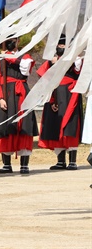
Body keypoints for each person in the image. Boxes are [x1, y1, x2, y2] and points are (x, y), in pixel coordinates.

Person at [0, 38, 38, 174]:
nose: (11, 43)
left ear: (18, 41)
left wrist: (9, 57)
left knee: (24, 125)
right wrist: (0, 98)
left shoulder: (25, 56)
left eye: (13, 40)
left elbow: (25, 70)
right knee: (4, 125)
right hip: (5, 93)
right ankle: (6, 164)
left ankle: (24, 165)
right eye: (8, 40)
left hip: (22, 93)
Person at [37, 34, 84, 170]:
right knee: (55, 124)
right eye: (59, 45)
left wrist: (64, 61)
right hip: (54, 91)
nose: (61, 47)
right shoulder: (51, 61)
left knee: (70, 124)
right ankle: (60, 160)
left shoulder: (76, 59)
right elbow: (44, 76)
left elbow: (77, 70)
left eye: (64, 45)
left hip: (70, 93)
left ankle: (72, 160)